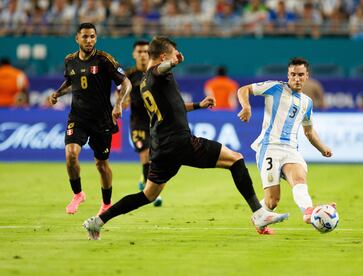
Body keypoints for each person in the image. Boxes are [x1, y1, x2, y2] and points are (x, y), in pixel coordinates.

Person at [83, 36, 288, 240]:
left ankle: (99, 221)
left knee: (148, 195)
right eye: (172, 54)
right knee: (236, 159)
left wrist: (199, 105)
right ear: (164, 56)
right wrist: (172, 62)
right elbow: (159, 69)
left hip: (161, 146)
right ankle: (259, 213)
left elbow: (176, 107)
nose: (176, 57)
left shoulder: (145, 81)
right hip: (178, 142)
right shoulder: (157, 73)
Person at [237, 57, 334, 226]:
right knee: (273, 201)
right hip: (269, 148)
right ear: (288, 75)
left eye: (301, 75)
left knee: (299, 179)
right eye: (293, 74)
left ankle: (309, 212)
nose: (297, 78)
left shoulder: (307, 102)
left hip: (290, 149)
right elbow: (243, 89)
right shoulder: (275, 87)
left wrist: (322, 148)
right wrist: (246, 107)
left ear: (307, 76)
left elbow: (309, 131)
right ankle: (259, 217)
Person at [47, 23, 132, 216]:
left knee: (101, 165)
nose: (89, 40)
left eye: (92, 36)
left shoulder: (104, 59)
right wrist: (58, 93)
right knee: (70, 155)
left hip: (101, 120)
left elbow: (126, 82)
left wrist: (119, 103)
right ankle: (78, 194)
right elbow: (71, 81)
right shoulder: (70, 60)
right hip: (77, 117)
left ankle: (106, 203)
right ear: (77, 38)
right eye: (85, 37)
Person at [121, 40, 162, 206]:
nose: (143, 54)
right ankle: (151, 192)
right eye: (139, 51)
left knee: (153, 158)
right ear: (134, 54)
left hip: (156, 122)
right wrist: (122, 101)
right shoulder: (129, 76)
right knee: (145, 154)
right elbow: (122, 96)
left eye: (146, 51)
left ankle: (145, 179)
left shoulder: (156, 73)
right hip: (138, 123)